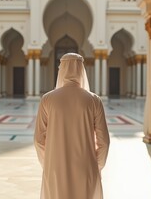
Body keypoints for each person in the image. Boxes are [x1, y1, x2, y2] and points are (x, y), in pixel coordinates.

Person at [34, 53, 110, 199]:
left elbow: (38, 140)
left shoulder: (48, 99)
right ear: (82, 70)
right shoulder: (94, 100)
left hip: (55, 168)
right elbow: (104, 142)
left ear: (61, 70)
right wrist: (96, 167)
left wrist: (49, 163)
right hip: (86, 167)